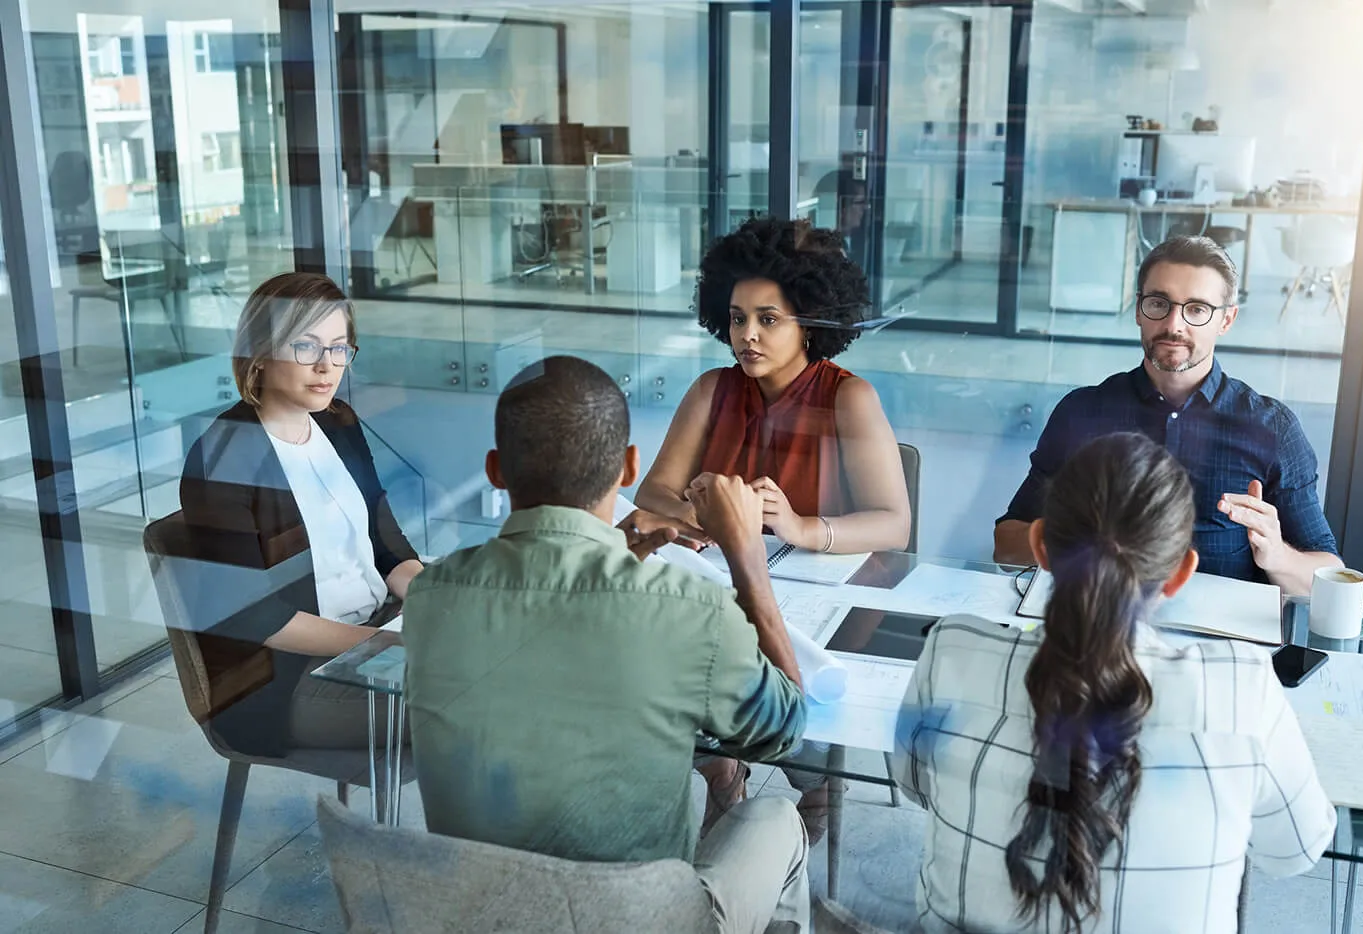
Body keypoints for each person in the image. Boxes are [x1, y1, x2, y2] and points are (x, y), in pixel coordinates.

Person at [402, 356, 811, 934]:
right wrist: (746, 556)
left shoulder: (430, 596)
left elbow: (542, 673)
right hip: (634, 922)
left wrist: (614, 559)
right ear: (628, 468)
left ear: (495, 470)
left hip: (482, 915)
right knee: (774, 816)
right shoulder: (689, 609)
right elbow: (785, 728)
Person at [897, 433, 1335, 933]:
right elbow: (1296, 849)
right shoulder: (1242, 690)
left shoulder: (950, 650)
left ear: (1040, 547)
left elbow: (914, 785)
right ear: (1180, 574)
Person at [636, 215, 911, 838]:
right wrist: (706, 513)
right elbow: (654, 490)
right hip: (726, 588)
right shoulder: (712, 389)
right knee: (669, 649)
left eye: (768, 319)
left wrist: (799, 524)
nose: (748, 336)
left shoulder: (848, 397)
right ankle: (719, 767)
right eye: (737, 318)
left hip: (828, 605)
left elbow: (893, 523)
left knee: (766, 667)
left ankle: (814, 781)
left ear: (810, 319)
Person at [994, 236, 1340, 594]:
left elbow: (1328, 575)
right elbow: (1005, 547)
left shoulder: (1272, 428)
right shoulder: (1082, 412)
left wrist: (1277, 556)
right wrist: (1069, 535)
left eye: (1196, 309)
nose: (1174, 324)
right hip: (1099, 626)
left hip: (1219, 641)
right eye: (1159, 303)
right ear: (1138, 310)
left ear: (1227, 320)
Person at [179, 272, 422, 758]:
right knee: (472, 703)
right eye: (306, 347)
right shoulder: (226, 458)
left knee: (497, 662)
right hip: (286, 681)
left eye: (339, 348)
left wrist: (441, 608)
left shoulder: (338, 422)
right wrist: (382, 644)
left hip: (373, 629)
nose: (326, 366)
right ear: (261, 353)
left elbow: (387, 545)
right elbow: (255, 617)